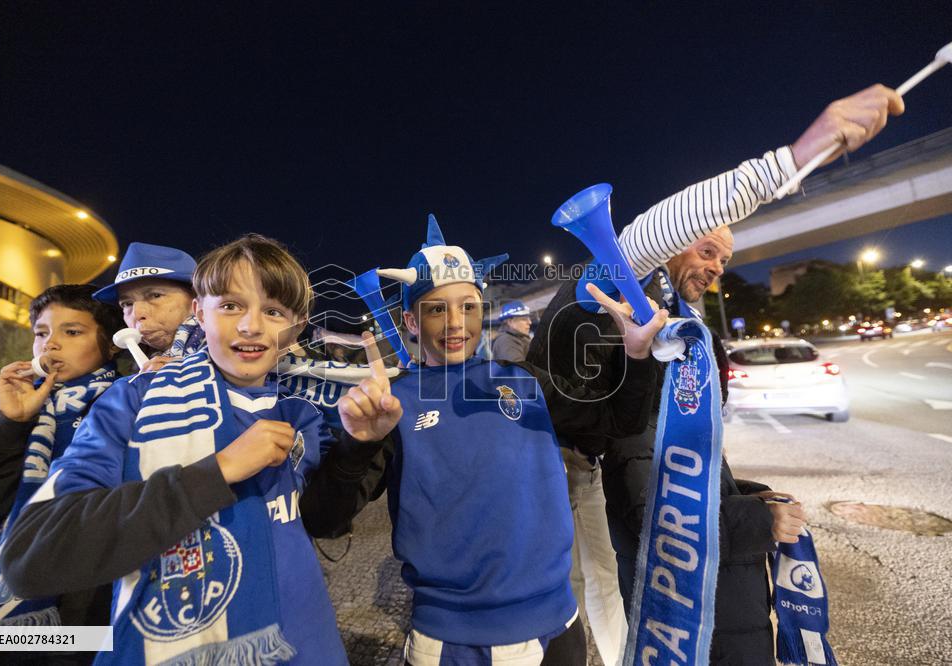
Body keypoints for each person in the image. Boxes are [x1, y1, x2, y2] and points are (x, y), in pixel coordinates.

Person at [528, 84, 901, 664]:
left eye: (725, 260)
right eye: (706, 251)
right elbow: (645, 238)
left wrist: (739, 494)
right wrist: (795, 158)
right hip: (616, 499)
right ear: (674, 248)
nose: (717, 269)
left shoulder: (686, 324)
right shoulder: (616, 289)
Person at [1, 234, 387, 665]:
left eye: (274, 311)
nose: (251, 326)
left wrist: (360, 443)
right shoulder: (131, 402)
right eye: (231, 306)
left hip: (308, 646)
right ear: (199, 313)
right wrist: (217, 471)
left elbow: (322, 521)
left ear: (296, 327)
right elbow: (29, 559)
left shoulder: (301, 410)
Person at [332, 216, 667, 665]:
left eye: (468, 307)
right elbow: (327, 518)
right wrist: (356, 443)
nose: (456, 323)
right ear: (411, 320)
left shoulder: (525, 380)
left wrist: (637, 355)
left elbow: (617, 423)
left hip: (560, 629)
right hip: (455, 645)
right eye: (437, 309)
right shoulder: (392, 404)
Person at [0, 285, 123, 658]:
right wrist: (5, 426)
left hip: (82, 630)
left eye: (72, 332)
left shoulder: (126, 409)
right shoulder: (14, 409)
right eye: (41, 333)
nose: (51, 344)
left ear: (112, 345)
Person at [490, 300, 626, 665]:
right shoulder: (509, 349)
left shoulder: (525, 344)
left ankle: (583, 645)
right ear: (509, 322)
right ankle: (584, 647)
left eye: (526, 317)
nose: (525, 322)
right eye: (520, 318)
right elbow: (526, 398)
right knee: (584, 571)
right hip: (564, 458)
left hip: (571, 455)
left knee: (588, 570)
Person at [93, 242, 204, 369]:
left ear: (197, 298)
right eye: (127, 304)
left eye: (156, 295)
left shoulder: (222, 351)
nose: (137, 314)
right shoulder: (140, 368)